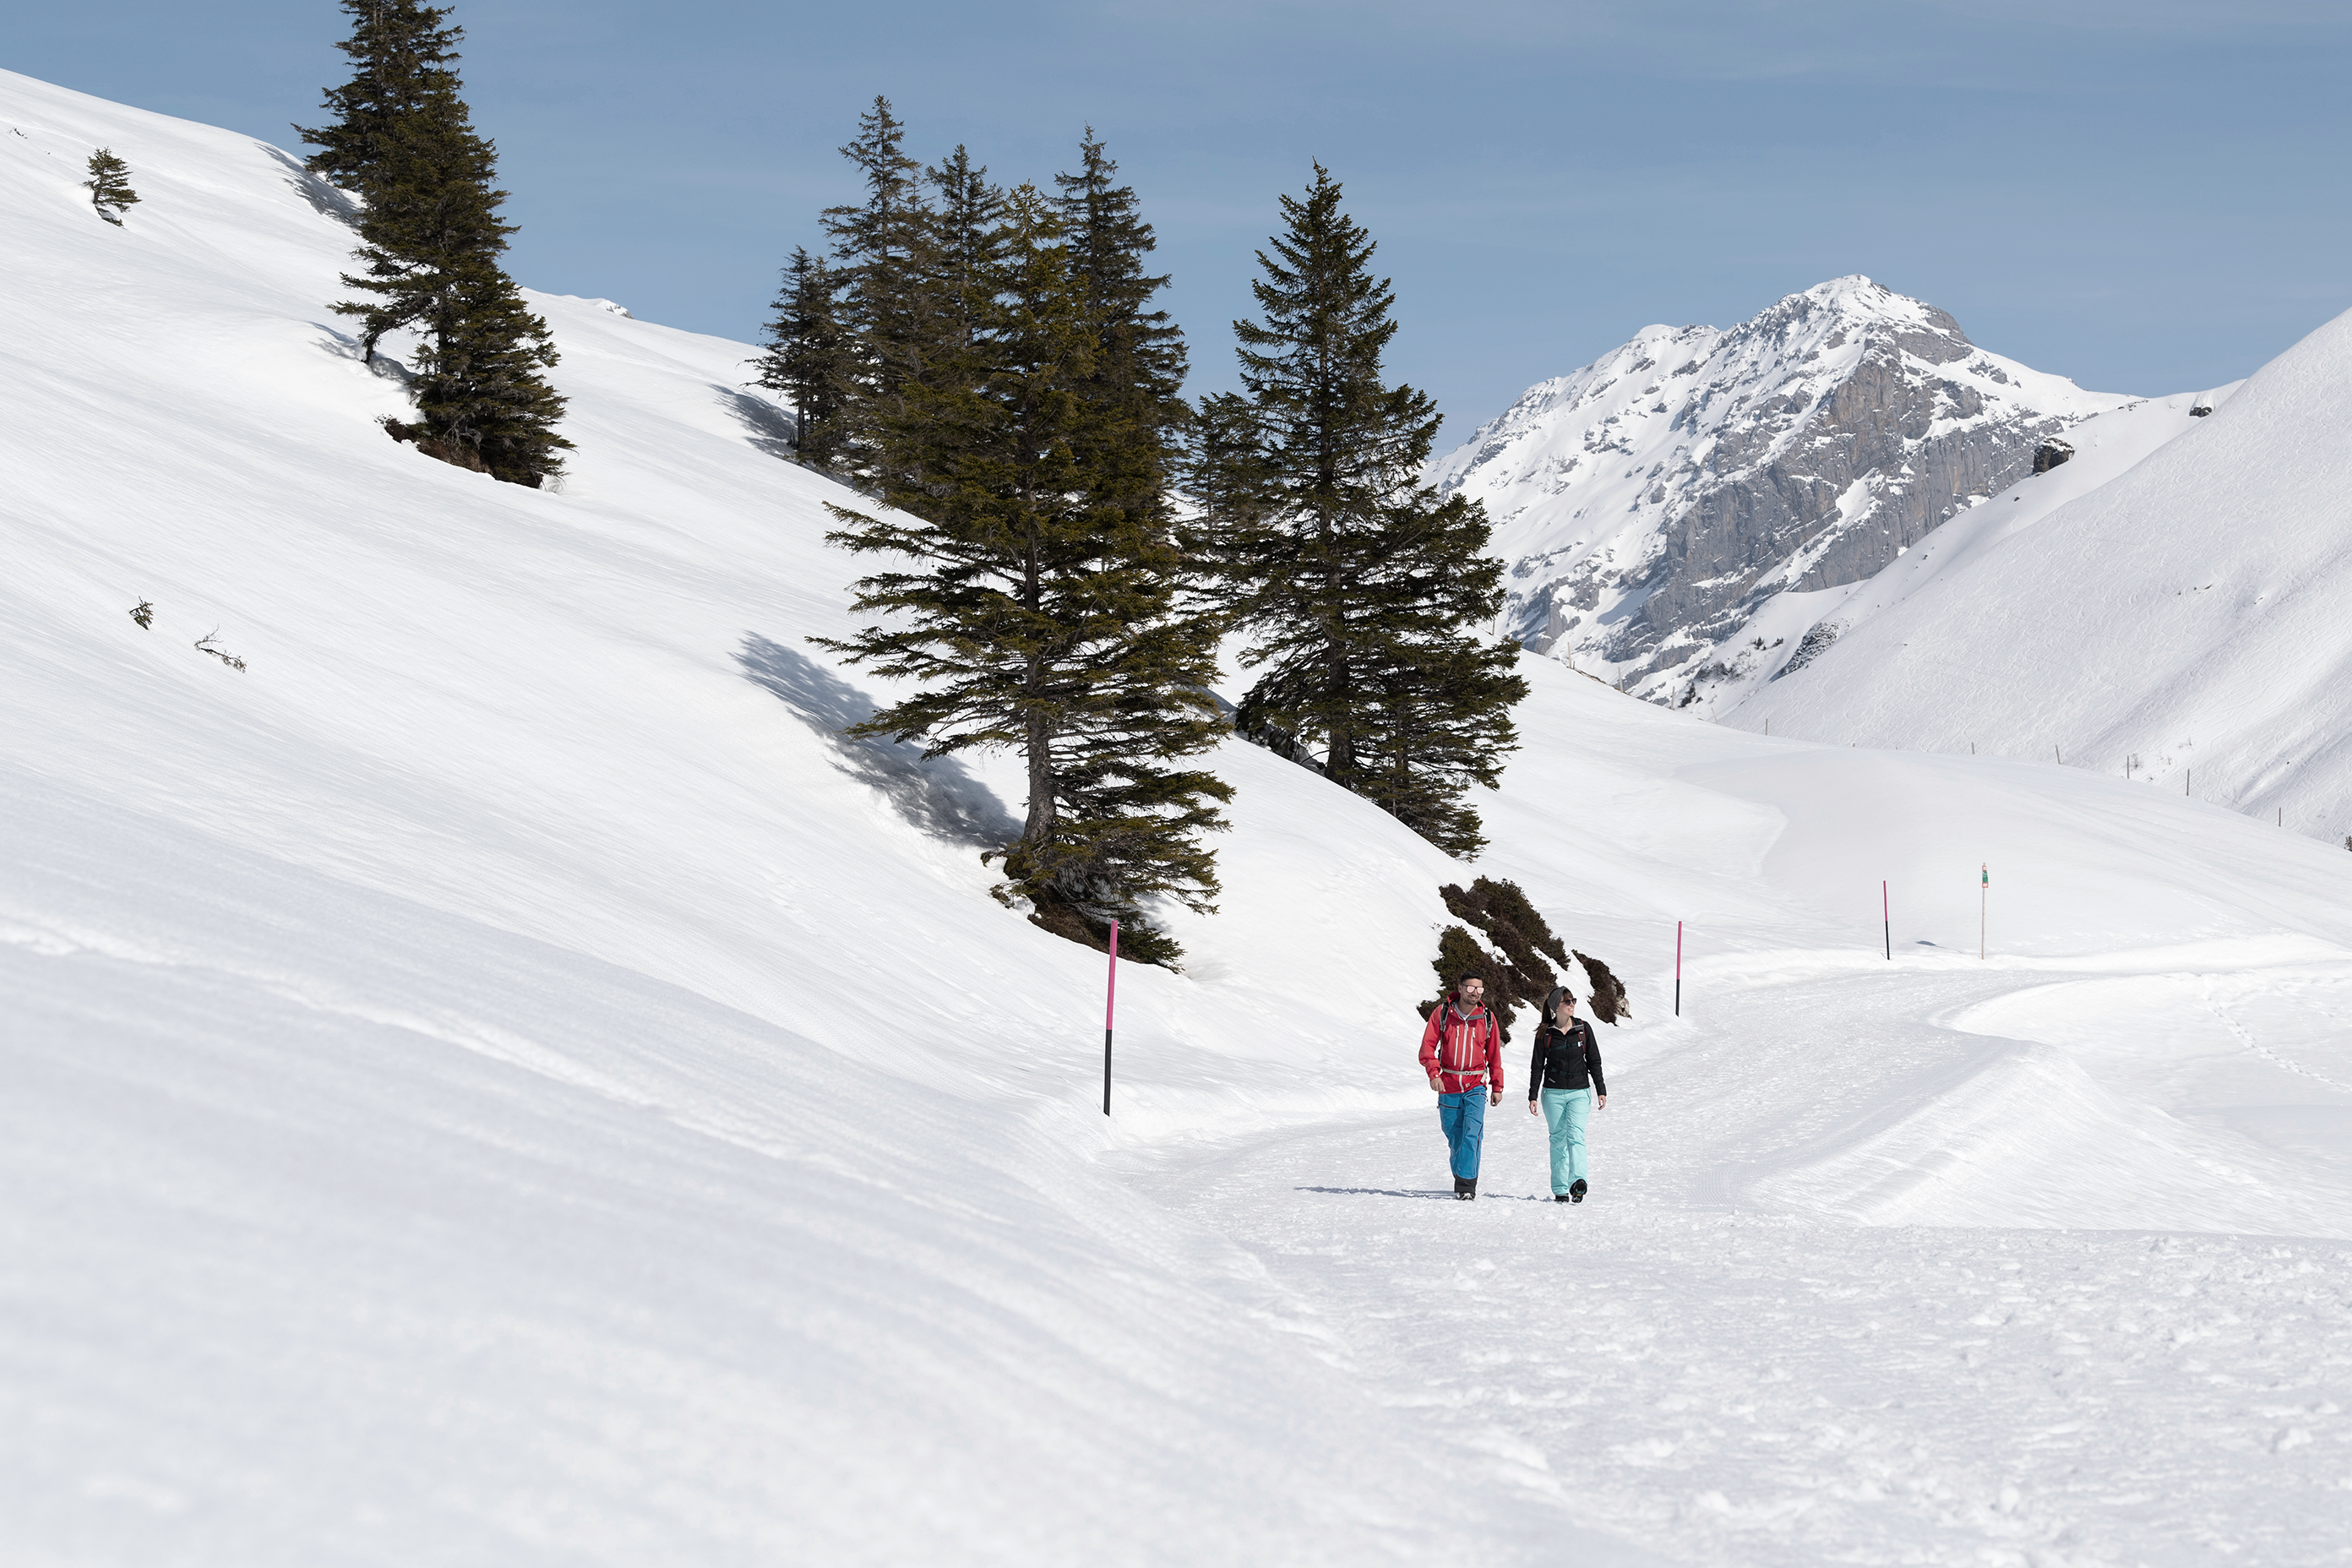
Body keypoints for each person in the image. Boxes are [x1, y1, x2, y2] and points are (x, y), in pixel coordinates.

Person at [1418, 972, 1505, 1199]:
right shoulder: (1443, 1013)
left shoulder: (1487, 1018)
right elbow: (1427, 1047)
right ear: (1460, 988)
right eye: (1471, 988)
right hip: (1448, 1085)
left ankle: (1466, 1185)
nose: (1475, 993)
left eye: (1479, 989)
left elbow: (1494, 1055)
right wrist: (1434, 1074)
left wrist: (1497, 1086)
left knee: (1472, 1133)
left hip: (1476, 1085)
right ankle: (1462, 1173)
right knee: (1454, 1136)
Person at [1526, 985, 1607, 1201]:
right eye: (1567, 1001)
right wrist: (1533, 1095)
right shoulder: (1545, 1033)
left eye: (1573, 1001)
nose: (1572, 1005)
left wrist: (1601, 1089)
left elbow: (1594, 1061)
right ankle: (1561, 1189)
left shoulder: (1583, 1028)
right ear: (1556, 1007)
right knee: (1558, 1139)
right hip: (1553, 1093)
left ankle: (1578, 1181)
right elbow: (1537, 1066)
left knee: (1576, 1136)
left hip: (1579, 1092)